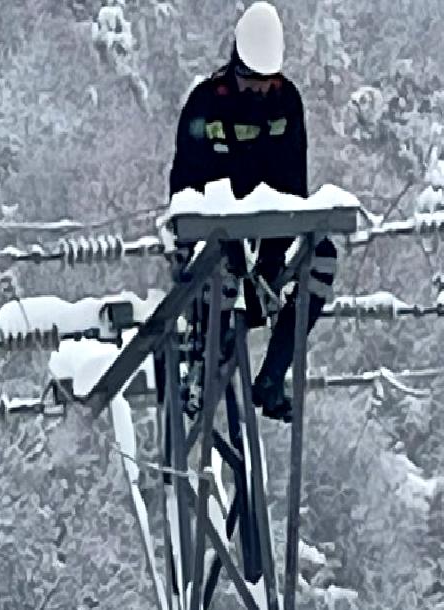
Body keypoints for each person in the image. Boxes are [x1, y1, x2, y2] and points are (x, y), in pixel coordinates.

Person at [168, 1, 337, 422]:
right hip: (215, 242)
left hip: (268, 238)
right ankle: (209, 361)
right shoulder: (206, 105)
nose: (261, 91)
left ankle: (273, 373)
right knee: (221, 285)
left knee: (323, 258)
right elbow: (185, 184)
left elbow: (293, 188)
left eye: (269, 81)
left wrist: (272, 258)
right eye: (253, 81)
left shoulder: (287, 103)